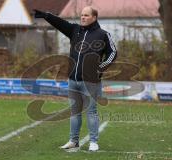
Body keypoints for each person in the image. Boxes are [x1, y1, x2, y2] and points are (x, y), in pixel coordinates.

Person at [34, 6, 117, 152]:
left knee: (91, 112)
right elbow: (60, 23)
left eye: (86, 15)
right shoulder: (75, 30)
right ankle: (73, 140)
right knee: (74, 112)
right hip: (73, 80)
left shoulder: (103, 34)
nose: (83, 17)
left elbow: (113, 53)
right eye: (82, 15)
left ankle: (93, 142)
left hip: (91, 82)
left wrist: (100, 68)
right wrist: (47, 15)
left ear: (94, 17)